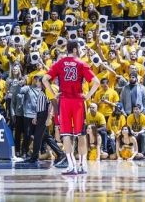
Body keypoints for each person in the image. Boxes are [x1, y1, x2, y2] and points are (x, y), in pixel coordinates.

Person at [43, 40, 101, 175]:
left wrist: (53, 94)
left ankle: (71, 166)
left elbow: (45, 79)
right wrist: (87, 96)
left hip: (64, 101)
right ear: (75, 49)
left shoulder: (59, 63)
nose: (80, 50)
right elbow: (96, 82)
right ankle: (82, 165)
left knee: (66, 135)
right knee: (81, 134)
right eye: (79, 48)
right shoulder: (81, 63)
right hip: (78, 101)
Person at [22, 75, 65, 164]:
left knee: (38, 136)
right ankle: (60, 154)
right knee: (46, 137)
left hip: (44, 115)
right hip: (40, 114)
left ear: (42, 82)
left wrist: (48, 118)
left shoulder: (48, 91)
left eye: (37, 81)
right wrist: (36, 116)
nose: (36, 83)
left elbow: (51, 106)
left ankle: (34, 157)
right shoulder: (41, 91)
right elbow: (39, 106)